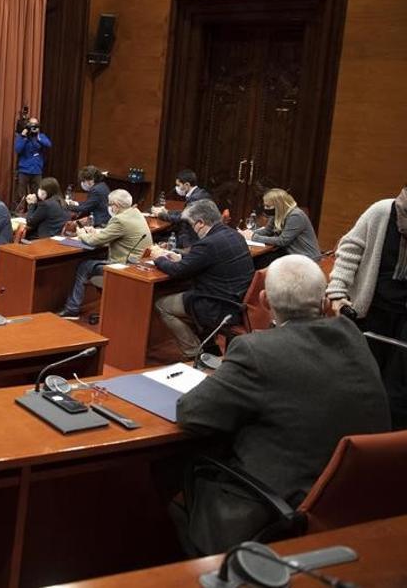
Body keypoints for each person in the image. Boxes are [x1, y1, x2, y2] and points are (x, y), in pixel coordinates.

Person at [174, 256, 390, 555]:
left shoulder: (257, 350)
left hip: (276, 512)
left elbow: (191, 412)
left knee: (170, 478)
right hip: (351, 507)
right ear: (326, 302)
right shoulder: (353, 336)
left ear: (263, 301)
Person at [327, 186, 407, 429]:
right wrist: (337, 292)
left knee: (398, 391)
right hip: (371, 311)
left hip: (404, 320)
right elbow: (349, 250)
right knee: (359, 379)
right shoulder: (382, 212)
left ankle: (384, 446)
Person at [150, 200, 255, 359]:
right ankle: (209, 348)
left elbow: (178, 271)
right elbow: (204, 260)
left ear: (200, 223)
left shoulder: (208, 243)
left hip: (217, 306)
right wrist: (181, 257)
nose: (192, 229)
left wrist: (159, 258)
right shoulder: (234, 235)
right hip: (237, 303)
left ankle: (193, 353)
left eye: (192, 225)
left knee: (162, 305)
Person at [58, 190, 152, 319]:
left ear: (116, 205)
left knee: (83, 266)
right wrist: (95, 232)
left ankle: (72, 309)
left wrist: (82, 234)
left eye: (110, 204)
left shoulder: (120, 219)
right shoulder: (135, 213)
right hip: (137, 265)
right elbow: (111, 234)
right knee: (92, 260)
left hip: (123, 267)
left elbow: (93, 241)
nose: (109, 207)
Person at [241, 188, 322, 268]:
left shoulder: (296, 215)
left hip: (306, 258)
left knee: (261, 262)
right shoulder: (278, 213)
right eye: (265, 205)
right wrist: (246, 234)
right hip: (289, 254)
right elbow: (267, 231)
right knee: (257, 260)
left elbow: (283, 241)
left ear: (279, 205)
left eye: (268, 206)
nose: (265, 208)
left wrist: (253, 237)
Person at [152, 169, 212, 245]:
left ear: (187, 185)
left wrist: (160, 215)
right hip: (196, 233)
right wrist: (167, 211)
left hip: (189, 238)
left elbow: (182, 218)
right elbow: (186, 212)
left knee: (156, 237)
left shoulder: (195, 198)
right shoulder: (200, 193)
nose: (176, 188)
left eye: (178, 185)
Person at [13, 117, 50, 203]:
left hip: (37, 170)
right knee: (20, 194)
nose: (33, 127)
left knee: (37, 194)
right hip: (24, 170)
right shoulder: (22, 137)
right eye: (31, 125)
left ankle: (36, 212)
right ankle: (20, 212)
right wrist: (23, 136)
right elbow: (18, 149)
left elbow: (48, 144)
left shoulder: (41, 136)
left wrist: (37, 137)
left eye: (36, 125)